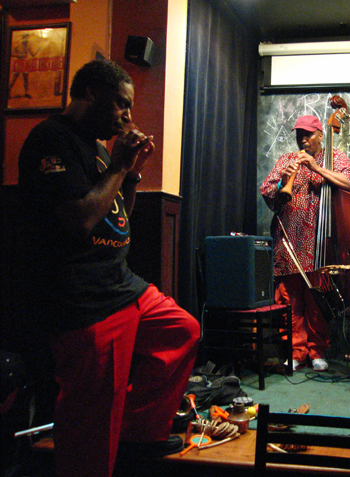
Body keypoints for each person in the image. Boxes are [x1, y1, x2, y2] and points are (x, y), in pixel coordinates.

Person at [14, 59, 200, 477]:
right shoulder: (51, 139)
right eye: (121, 104)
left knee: (183, 331)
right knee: (92, 422)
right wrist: (117, 166)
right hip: (85, 298)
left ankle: (135, 435)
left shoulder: (99, 149)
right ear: (90, 93)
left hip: (123, 284)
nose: (128, 116)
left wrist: (130, 175)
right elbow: (79, 220)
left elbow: (117, 220)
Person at [260, 115, 350, 372]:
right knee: (290, 302)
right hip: (289, 242)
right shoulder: (286, 160)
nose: (302, 139)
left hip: (321, 242)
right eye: (299, 135)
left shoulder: (335, 158)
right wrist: (284, 181)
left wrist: (316, 169)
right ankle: (295, 352)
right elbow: (267, 191)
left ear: (320, 135)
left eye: (307, 134)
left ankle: (317, 351)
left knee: (317, 301)